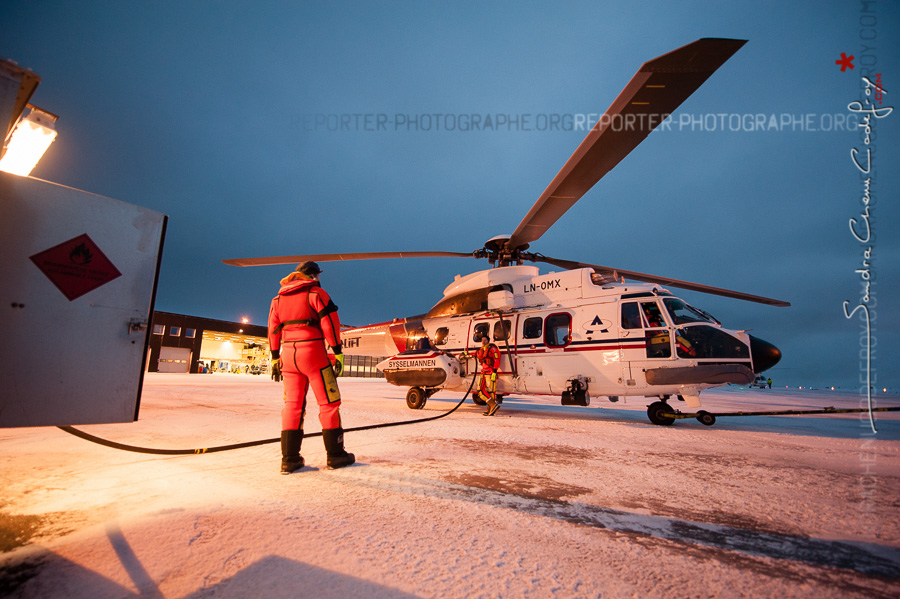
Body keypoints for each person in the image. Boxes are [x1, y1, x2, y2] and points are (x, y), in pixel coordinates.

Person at [268, 261, 354, 474]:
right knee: (329, 403)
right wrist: (338, 351)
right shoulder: (317, 294)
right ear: (313, 276)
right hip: (314, 353)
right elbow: (330, 324)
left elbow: (272, 329)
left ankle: (289, 459)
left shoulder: (277, 299)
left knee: (293, 405)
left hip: (288, 356)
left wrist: (274, 357)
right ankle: (335, 455)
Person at [475, 335, 501, 416]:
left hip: (490, 372)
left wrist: (494, 371)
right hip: (483, 372)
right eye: (482, 340)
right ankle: (493, 405)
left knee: (491, 391)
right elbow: (476, 354)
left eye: (485, 340)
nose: (483, 341)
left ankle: (490, 408)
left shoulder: (493, 349)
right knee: (480, 390)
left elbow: (497, 359)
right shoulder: (481, 350)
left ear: (488, 340)